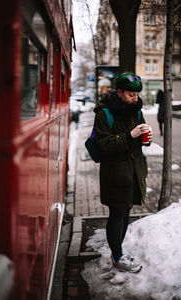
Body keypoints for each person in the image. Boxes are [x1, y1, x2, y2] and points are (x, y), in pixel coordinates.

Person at [94, 72, 153, 273]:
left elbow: (140, 141)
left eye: (137, 94)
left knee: (126, 211)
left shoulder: (136, 111)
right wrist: (130, 135)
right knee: (117, 214)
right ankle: (118, 256)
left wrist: (147, 137)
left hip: (134, 171)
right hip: (116, 173)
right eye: (130, 94)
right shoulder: (105, 114)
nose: (135, 99)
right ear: (119, 92)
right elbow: (104, 144)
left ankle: (117, 252)